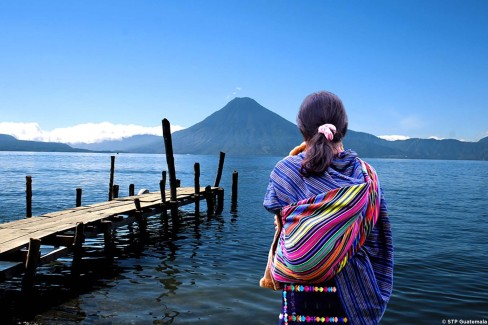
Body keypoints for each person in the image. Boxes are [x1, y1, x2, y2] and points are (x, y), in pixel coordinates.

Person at [263, 91, 393, 325]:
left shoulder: (286, 170)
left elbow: (275, 207)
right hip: (352, 297)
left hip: (298, 299)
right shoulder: (367, 176)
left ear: (302, 129)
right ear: (343, 128)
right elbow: (378, 240)